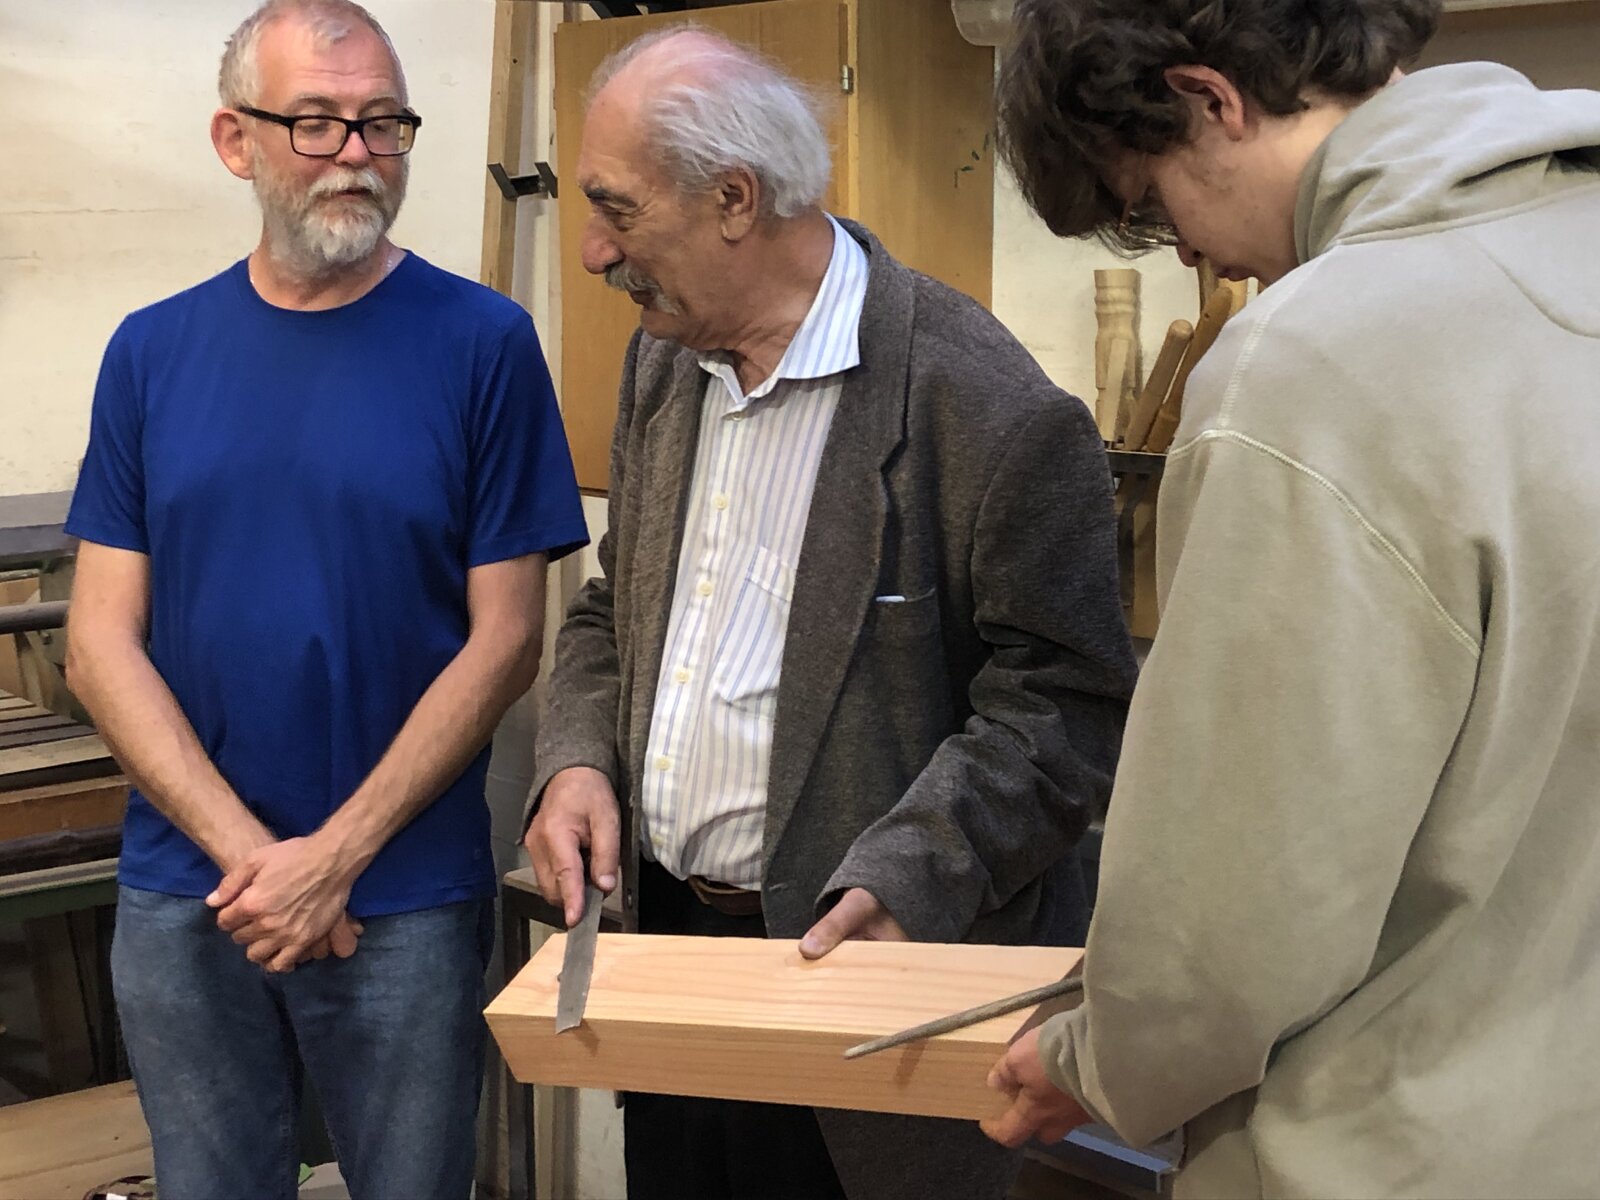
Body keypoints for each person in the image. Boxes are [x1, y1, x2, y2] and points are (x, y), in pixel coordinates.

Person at [985, 1, 1600, 1196]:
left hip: (1389, 1149)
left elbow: (1230, 928)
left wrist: (1095, 1059)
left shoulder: (1310, 362)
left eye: (1151, 204)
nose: (1188, 256)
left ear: (1207, 99)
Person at [522, 26, 1135, 1200]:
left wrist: (915, 873)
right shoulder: (666, 365)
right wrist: (575, 760)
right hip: (676, 963)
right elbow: (614, 608)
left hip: (862, 990)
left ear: (734, 200)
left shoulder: (987, 409)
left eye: (617, 210)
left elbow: (1063, 712)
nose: (594, 248)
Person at [62, 2, 587, 1197]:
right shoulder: (150, 352)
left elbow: (509, 639)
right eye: (316, 122)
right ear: (234, 140)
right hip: (191, 889)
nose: (357, 154)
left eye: (383, 123)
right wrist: (258, 862)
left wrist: (336, 858)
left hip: (401, 895)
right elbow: (98, 643)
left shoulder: (485, 345)